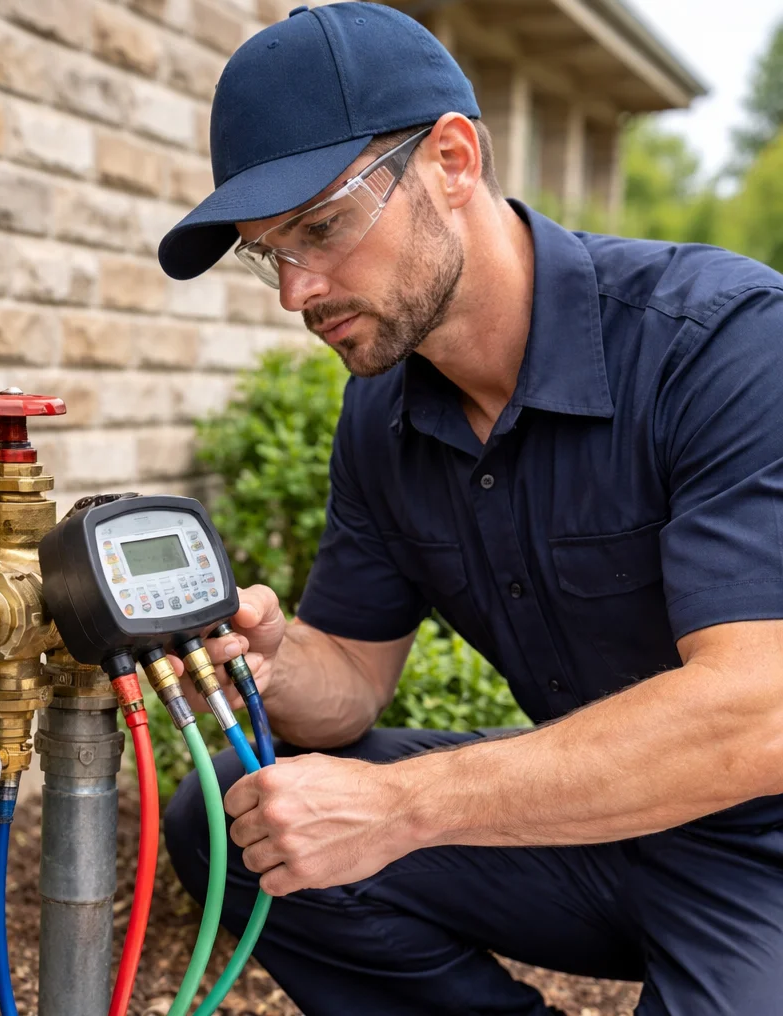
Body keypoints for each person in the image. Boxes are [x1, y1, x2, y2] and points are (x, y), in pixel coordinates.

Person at [156, 4, 783, 1014]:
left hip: (762, 838)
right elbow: (353, 679)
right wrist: (274, 663)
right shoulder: (382, 416)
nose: (295, 292)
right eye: (267, 252)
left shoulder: (721, 342)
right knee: (235, 812)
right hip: (597, 835)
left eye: (320, 227)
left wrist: (403, 805)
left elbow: (760, 711)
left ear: (452, 159)